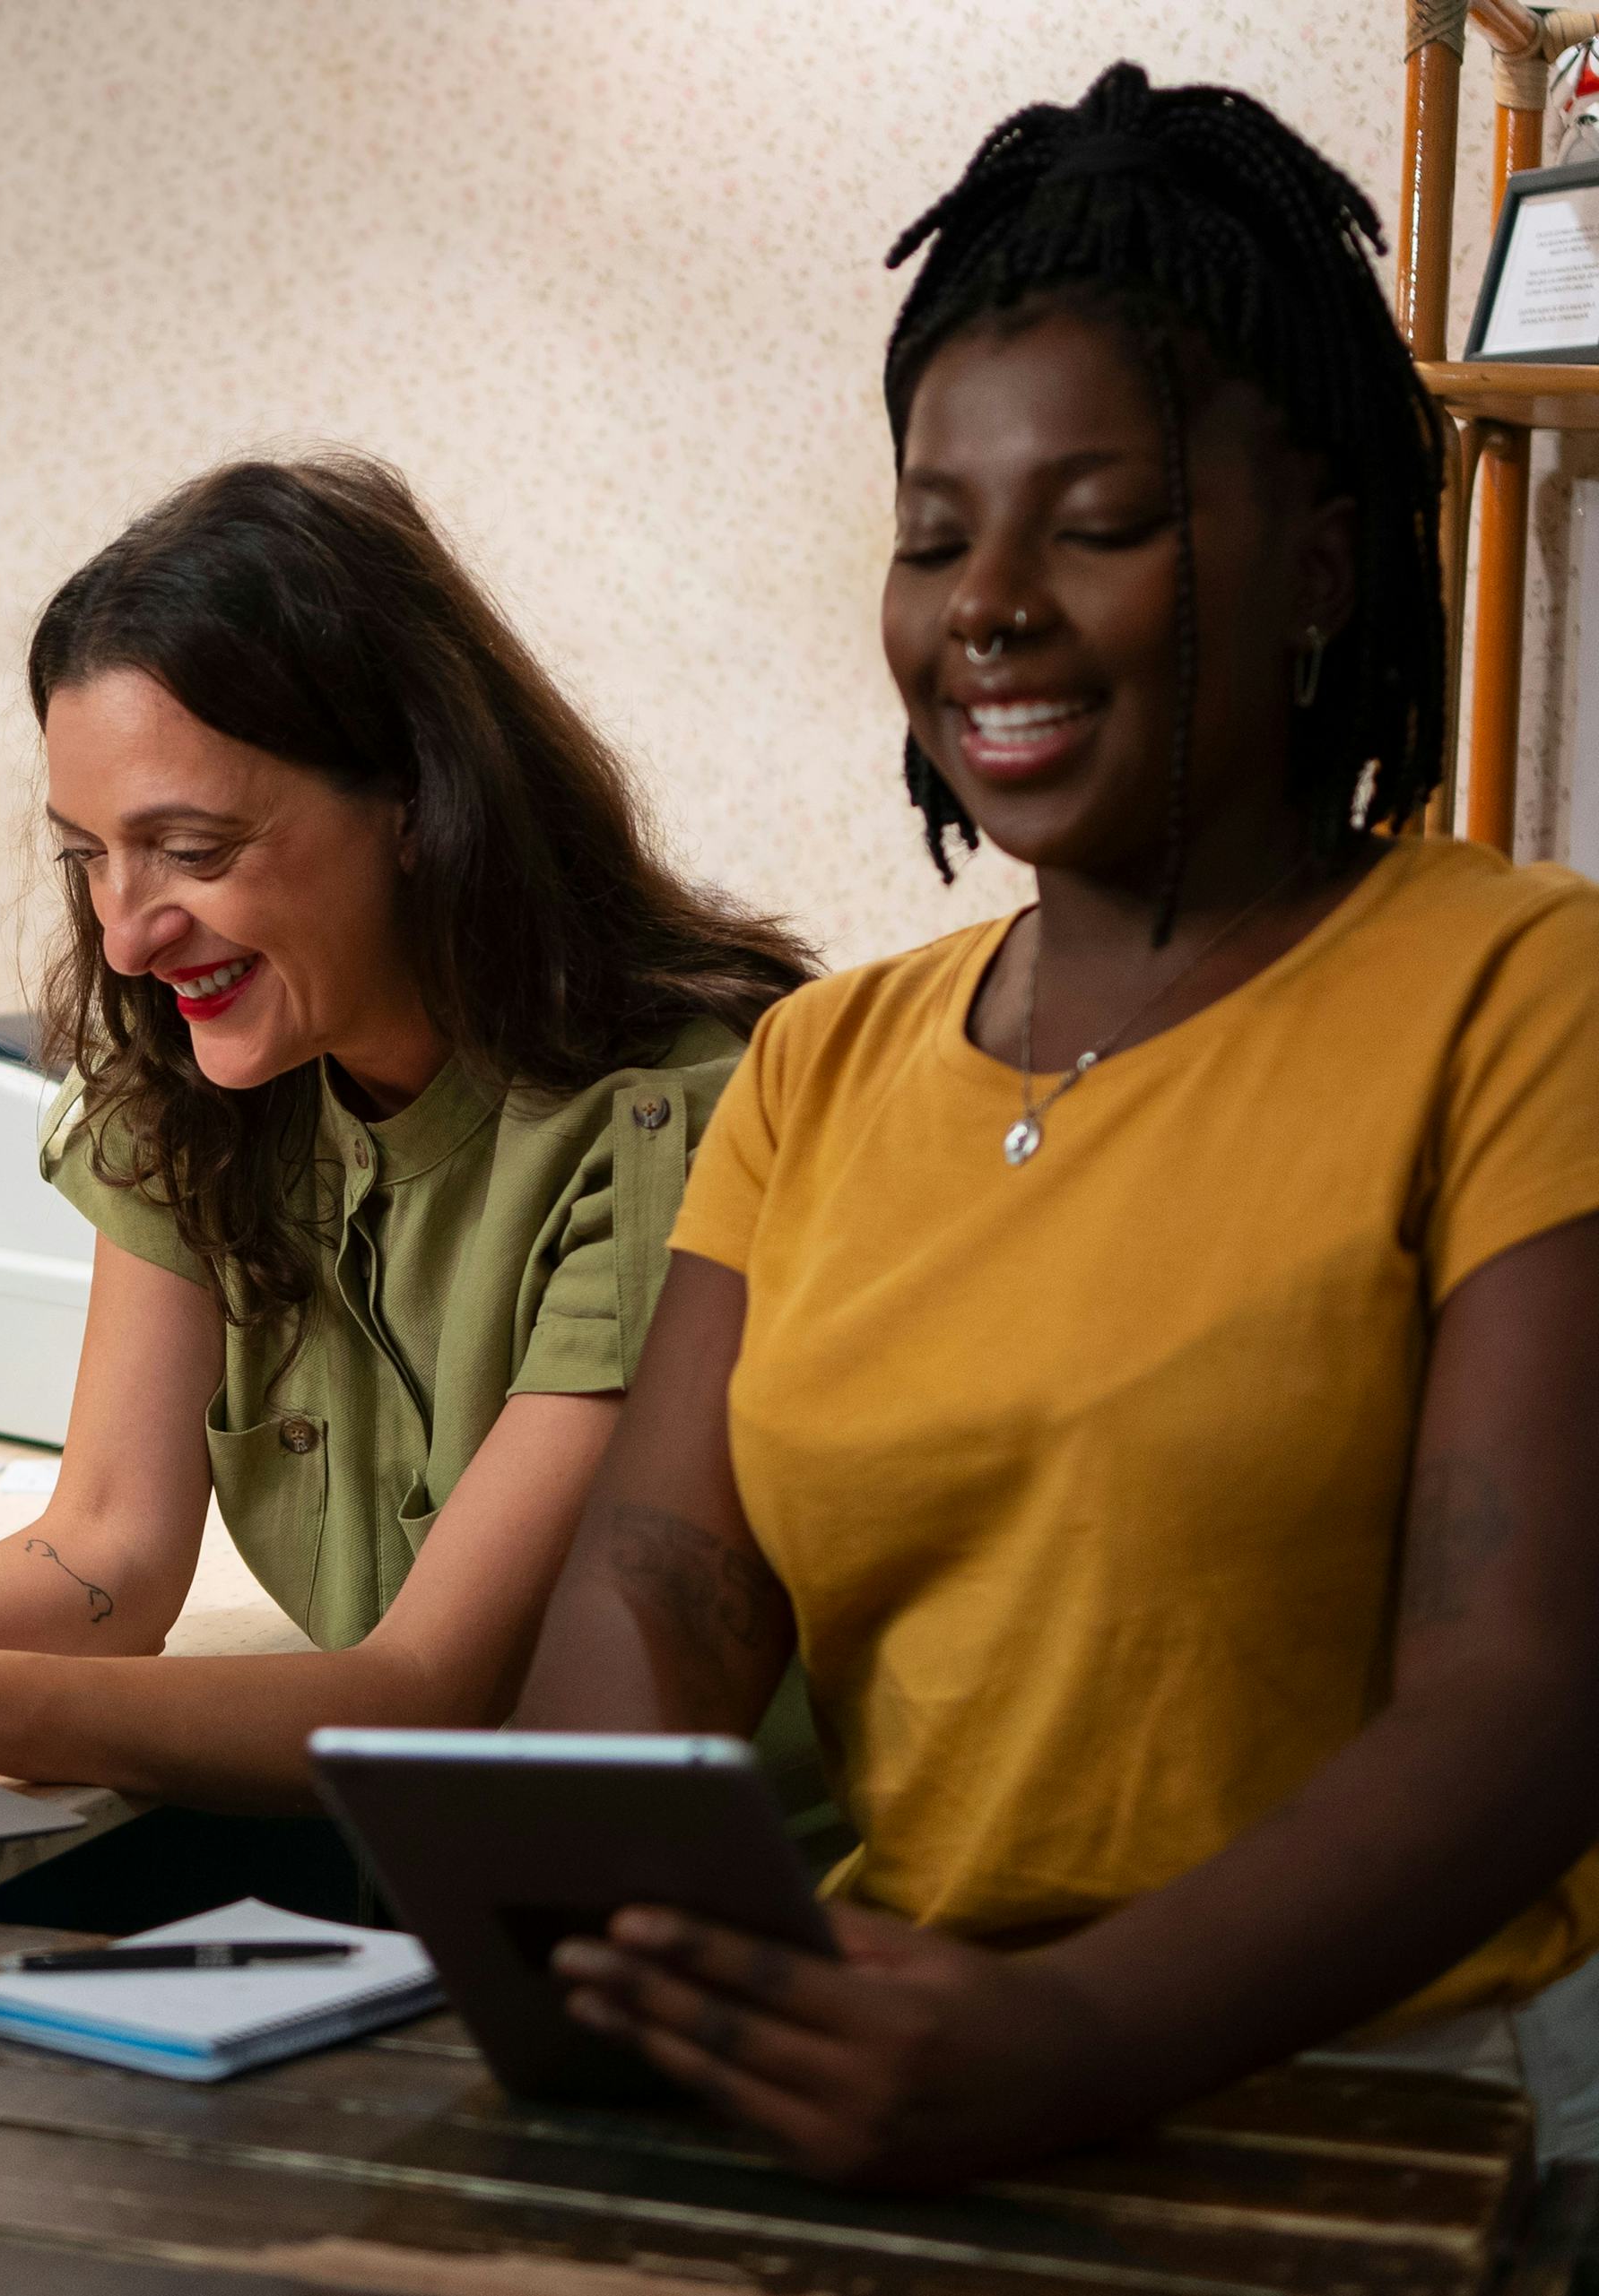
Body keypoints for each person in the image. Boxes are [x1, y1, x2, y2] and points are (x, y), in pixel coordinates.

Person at [521, 64, 1599, 2185]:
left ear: (1318, 574)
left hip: (1411, 2120)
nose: (986, 604)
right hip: (923, 2090)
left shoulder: (1522, 996)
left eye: (1094, 525)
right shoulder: (822, 1067)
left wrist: (1080, 2033)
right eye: (936, 536)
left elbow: (1529, 1703)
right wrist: (615, 1942)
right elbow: (656, 1600)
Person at [0, 452, 811, 1839]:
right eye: (88, 857)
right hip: (437, 1890)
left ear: (416, 800)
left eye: (193, 849)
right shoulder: (212, 1091)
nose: (124, 931)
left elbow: (430, 1691)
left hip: (703, 1933)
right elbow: (106, 1549)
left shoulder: (676, 1124)